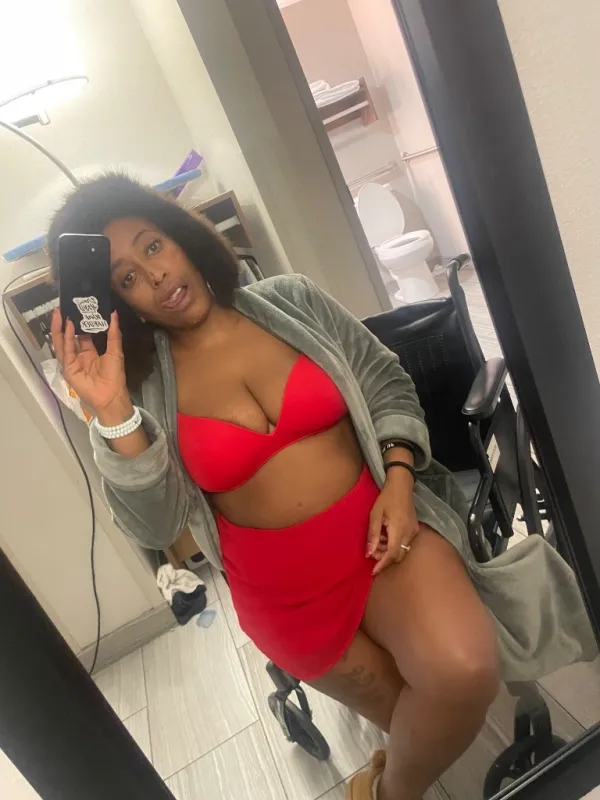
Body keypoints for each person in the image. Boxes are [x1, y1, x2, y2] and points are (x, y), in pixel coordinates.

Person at [49, 174, 595, 800]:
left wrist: (398, 479)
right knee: (412, 722)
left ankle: (381, 794)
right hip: (284, 595)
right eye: (127, 277)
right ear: (119, 304)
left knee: (464, 674)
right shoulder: (142, 392)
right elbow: (156, 525)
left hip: (381, 533)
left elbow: (386, 383)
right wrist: (113, 414)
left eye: (153, 246)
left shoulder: (293, 303)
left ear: (178, 236)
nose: (156, 276)